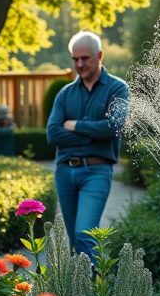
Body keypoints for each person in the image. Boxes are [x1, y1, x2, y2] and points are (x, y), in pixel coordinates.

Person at [46, 31, 129, 261]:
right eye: (75, 59)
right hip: (65, 172)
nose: (79, 64)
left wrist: (75, 125)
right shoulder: (65, 94)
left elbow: (114, 127)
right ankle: (82, 294)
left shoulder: (117, 89)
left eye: (85, 58)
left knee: (85, 233)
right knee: (74, 240)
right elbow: (53, 134)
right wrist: (92, 135)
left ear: (99, 55)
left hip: (97, 171)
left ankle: (97, 291)